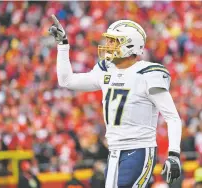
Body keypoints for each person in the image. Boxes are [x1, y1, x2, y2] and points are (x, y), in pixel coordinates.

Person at [49, 14, 182, 188]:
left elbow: (172, 117)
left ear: (129, 44)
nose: (108, 45)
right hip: (113, 151)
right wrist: (63, 45)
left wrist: (174, 154)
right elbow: (66, 81)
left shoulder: (148, 74)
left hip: (139, 149)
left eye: (113, 41)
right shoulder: (106, 70)